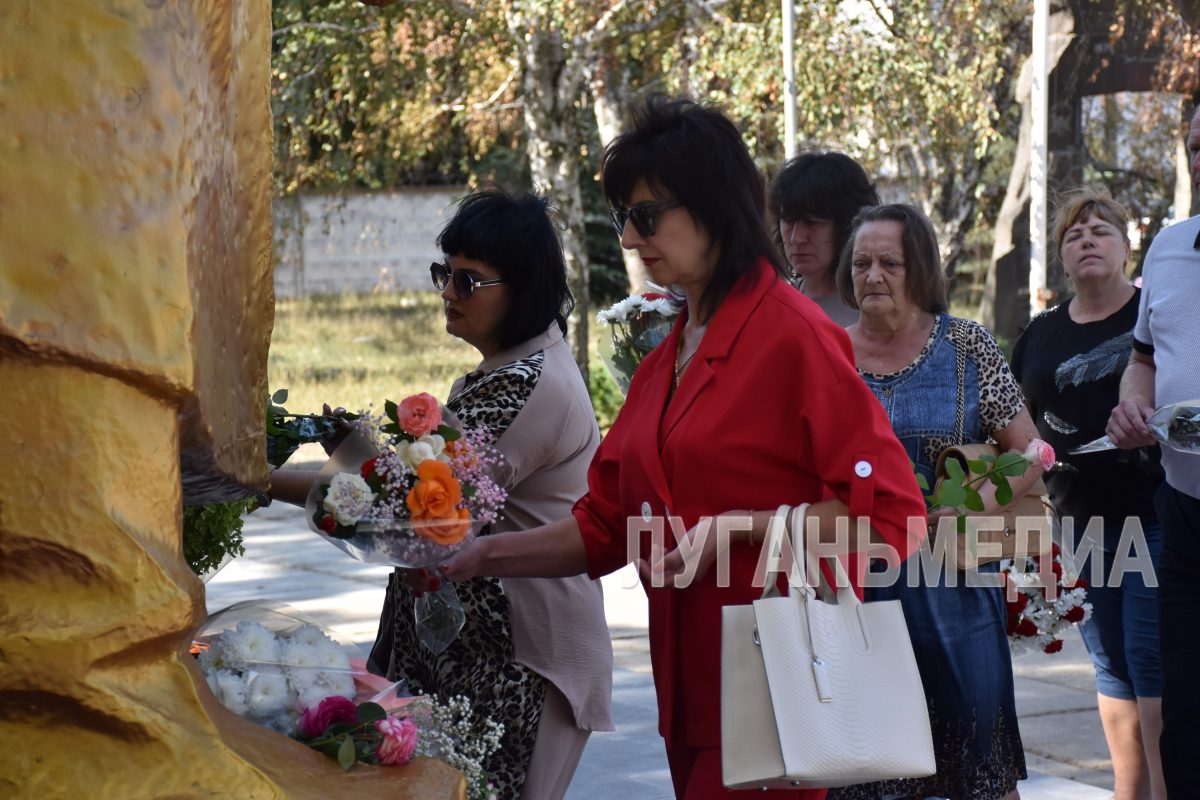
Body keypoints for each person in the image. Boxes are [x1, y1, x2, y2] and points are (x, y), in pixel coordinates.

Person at [442, 95, 927, 800]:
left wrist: (742, 529)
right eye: (623, 219)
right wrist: (479, 555)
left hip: (774, 690)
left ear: (713, 207)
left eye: (646, 215)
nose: (632, 239)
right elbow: (604, 528)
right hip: (689, 693)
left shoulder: (791, 335)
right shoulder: (663, 359)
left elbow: (891, 514)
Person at [273, 187, 614, 800]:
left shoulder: (524, 386)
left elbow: (409, 516)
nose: (448, 294)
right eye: (445, 274)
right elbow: (414, 490)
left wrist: (256, 478)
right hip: (478, 653)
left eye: (469, 281)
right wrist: (347, 450)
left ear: (524, 286)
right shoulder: (511, 367)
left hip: (518, 660)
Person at [829, 204, 1043, 800]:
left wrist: (977, 504)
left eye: (889, 262)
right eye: (862, 262)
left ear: (918, 268)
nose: (872, 275)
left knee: (981, 772)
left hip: (956, 591)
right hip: (855, 592)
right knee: (869, 777)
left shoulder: (968, 346)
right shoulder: (825, 354)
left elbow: (1032, 454)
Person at [1011, 189, 1164, 800]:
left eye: (1101, 229)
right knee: (1111, 668)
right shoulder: (1041, 335)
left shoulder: (1152, 316)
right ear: (1062, 257)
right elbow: (1018, 425)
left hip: (1154, 518)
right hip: (1078, 526)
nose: (1088, 240)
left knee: (1150, 659)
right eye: (1075, 235)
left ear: (1127, 247)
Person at [1105, 104, 1200, 797]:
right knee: (1185, 713)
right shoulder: (1168, 246)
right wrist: (1133, 400)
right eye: (1194, 147)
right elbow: (1143, 357)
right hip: (1186, 510)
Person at [768, 151, 880, 326]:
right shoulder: (775, 303)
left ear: (848, 225)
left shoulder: (875, 310)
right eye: (788, 221)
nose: (796, 238)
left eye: (812, 223)